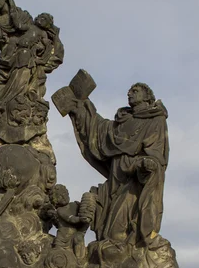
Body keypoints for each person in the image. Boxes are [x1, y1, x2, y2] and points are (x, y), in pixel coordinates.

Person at [70, 82, 169, 246]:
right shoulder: (123, 120)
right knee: (109, 229)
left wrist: (145, 165)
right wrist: (82, 106)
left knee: (118, 231)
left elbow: (156, 153)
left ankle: (134, 246)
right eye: (129, 91)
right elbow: (100, 129)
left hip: (133, 179)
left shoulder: (155, 119)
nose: (129, 93)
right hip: (116, 176)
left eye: (135, 91)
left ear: (146, 96)